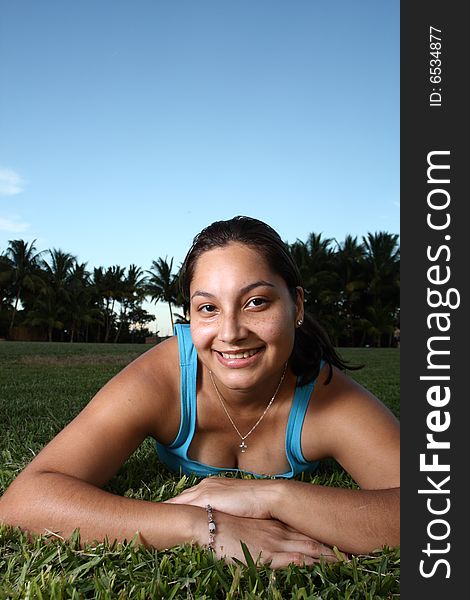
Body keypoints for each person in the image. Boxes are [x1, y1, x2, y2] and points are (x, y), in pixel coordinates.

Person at [0, 216, 399, 569]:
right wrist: (201, 527)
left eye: (256, 302)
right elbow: (24, 501)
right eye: (208, 308)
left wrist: (271, 496)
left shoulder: (329, 397)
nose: (230, 333)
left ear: (295, 305)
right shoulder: (162, 380)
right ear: (189, 315)